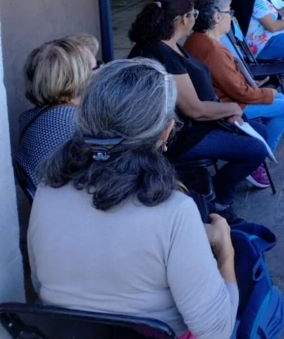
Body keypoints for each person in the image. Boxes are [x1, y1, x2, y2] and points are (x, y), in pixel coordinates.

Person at [28, 58, 239, 338]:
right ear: (166, 131)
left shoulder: (46, 190)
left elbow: (39, 284)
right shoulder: (175, 212)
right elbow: (217, 331)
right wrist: (226, 250)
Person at [129, 0, 270, 205]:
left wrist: (225, 111)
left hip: (198, 124)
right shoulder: (161, 53)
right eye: (194, 13)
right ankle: (220, 200)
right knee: (256, 148)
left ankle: (216, 192)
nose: (196, 18)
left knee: (259, 131)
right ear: (183, 19)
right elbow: (193, 109)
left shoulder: (170, 44)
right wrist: (230, 109)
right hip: (179, 137)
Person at [185, 0, 284, 153]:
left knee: (279, 97)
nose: (231, 16)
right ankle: (261, 155)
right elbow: (239, 93)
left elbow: (228, 82)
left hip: (221, 99)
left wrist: (257, 89)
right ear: (217, 17)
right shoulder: (212, 49)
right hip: (227, 106)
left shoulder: (195, 39)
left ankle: (253, 140)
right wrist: (266, 93)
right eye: (229, 11)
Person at [15, 35, 99, 186]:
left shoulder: (33, 117)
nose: (101, 71)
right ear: (76, 77)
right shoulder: (71, 123)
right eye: (96, 67)